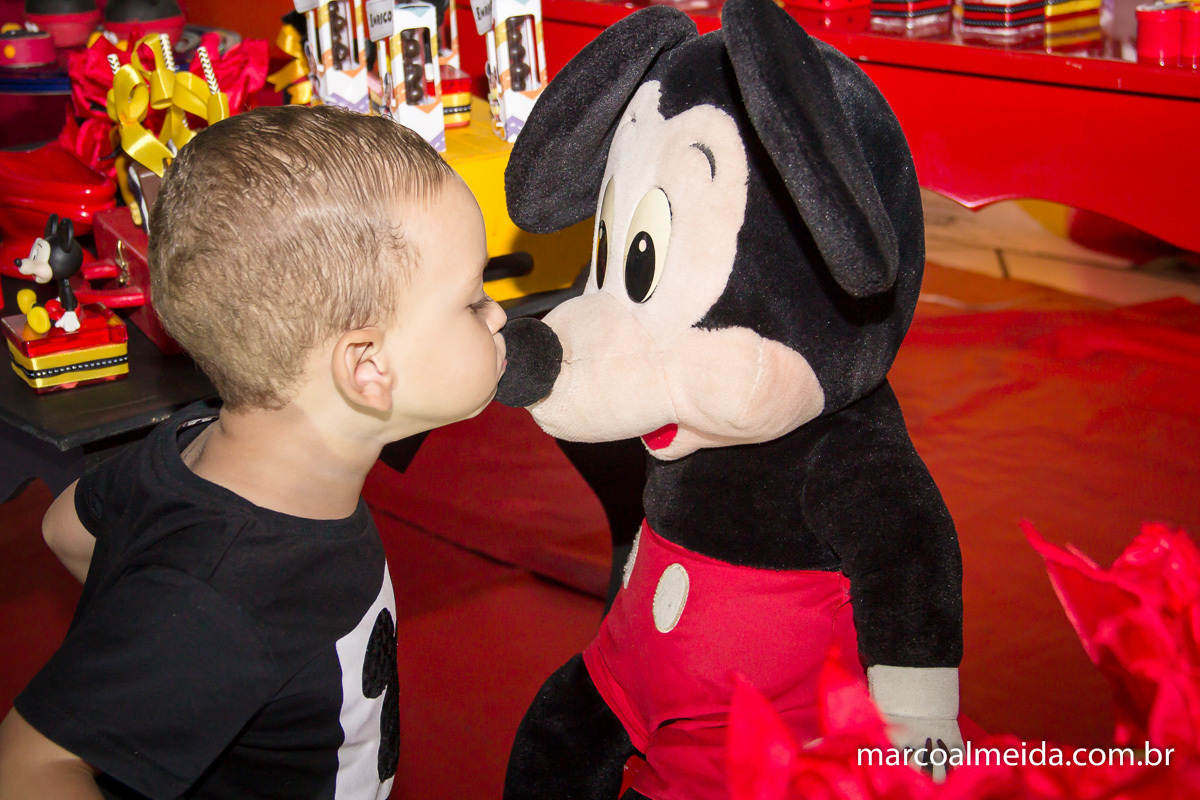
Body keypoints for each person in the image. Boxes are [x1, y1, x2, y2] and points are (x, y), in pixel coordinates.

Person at [0, 105, 507, 800]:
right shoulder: (226, 594)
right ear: (367, 368)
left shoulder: (192, 440)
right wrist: (176, 627)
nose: (499, 314)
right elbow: (26, 765)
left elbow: (66, 526)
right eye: (474, 301)